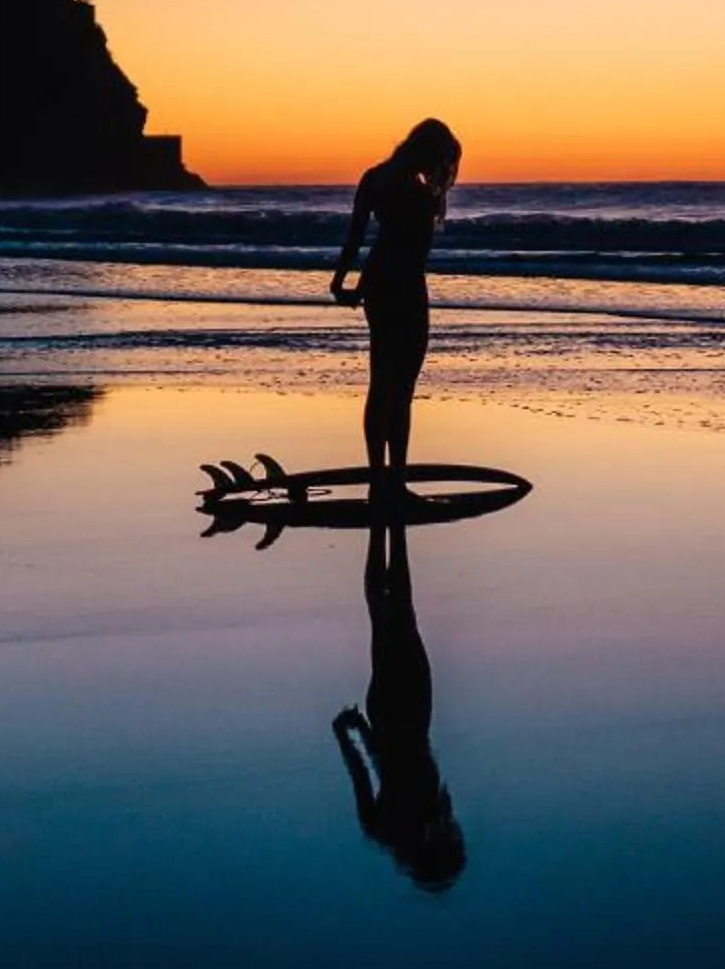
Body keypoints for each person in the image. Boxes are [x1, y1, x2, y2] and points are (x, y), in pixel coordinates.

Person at [331, 521, 466, 890]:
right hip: (406, 712)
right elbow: (381, 766)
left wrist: (348, 734)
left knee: (391, 613)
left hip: (399, 711)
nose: (454, 834)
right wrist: (350, 733)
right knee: (394, 613)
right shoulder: (424, 819)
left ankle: (387, 529)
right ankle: (388, 529)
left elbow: (375, 769)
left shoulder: (390, 826)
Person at [329, 117, 461, 486]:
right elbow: (417, 242)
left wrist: (340, 282)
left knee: (380, 383)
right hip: (406, 288)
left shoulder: (375, 178)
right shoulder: (420, 193)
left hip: (378, 284)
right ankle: (396, 482)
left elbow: (355, 236)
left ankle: (378, 479)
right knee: (401, 389)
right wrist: (438, 193)